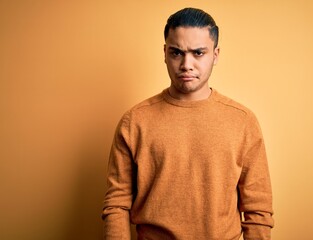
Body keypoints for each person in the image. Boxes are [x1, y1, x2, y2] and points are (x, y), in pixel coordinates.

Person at [102, 7, 274, 240]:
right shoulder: (134, 122)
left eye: (198, 53)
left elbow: (257, 209)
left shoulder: (243, 122)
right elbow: (117, 203)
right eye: (176, 53)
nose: (186, 64)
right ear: (164, 53)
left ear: (215, 54)